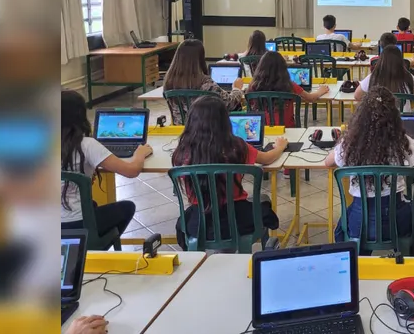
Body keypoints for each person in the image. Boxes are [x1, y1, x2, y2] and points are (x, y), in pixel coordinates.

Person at [326, 87, 414, 255]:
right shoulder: (403, 142)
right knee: (413, 208)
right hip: (397, 222)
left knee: (352, 213)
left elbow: (327, 162)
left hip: (359, 224)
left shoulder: (349, 143)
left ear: (361, 117)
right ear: (394, 116)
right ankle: (406, 260)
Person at [171, 96, 286, 250]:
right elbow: (267, 159)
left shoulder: (182, 152)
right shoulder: (237, 146)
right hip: (237, 219)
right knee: (263, 204)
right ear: (225, 121)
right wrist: (279, 147)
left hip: (199, 222)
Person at [61, 91, 152, 241]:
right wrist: (140, 154)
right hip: (79, 222)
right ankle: (97, 244)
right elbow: (131, 171)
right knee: (127, 207)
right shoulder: (87, 145)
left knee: (94, 204)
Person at [164, 39, 244, 125]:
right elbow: (230, 104)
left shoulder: (169, 82)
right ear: (201, 58)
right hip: (206, 131)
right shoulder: (206, 84)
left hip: (181, 130)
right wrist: (236, 89)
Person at [247, 52, 330, 127]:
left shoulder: (253, 86)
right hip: (287, 128)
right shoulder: (288, 85)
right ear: (283, 68)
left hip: (261, 129)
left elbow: (248, 102)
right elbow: (310, 98)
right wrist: (320, 91)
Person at [356, 45, 414, 111]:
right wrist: (408, 98)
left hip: (379, 120)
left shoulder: (373, 76)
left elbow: (357, 96)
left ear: (381, 59)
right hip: (403, 120)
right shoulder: (408, 76)